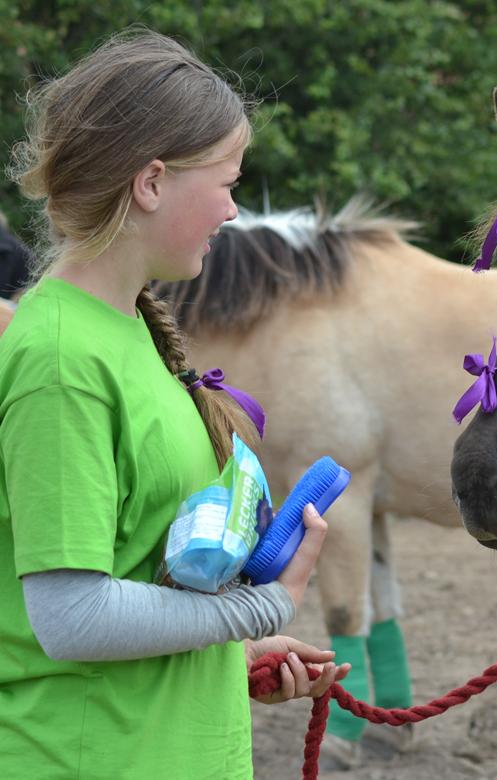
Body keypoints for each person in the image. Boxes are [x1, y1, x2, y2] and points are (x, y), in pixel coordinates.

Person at [0, 29, 348, 779]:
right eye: (225, 182)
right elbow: (70, 617)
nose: (232, 210)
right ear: (151, 182)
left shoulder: (125, 331)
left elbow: (133, 575)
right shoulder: (61, 357)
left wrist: (225, 657)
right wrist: (259, 610)